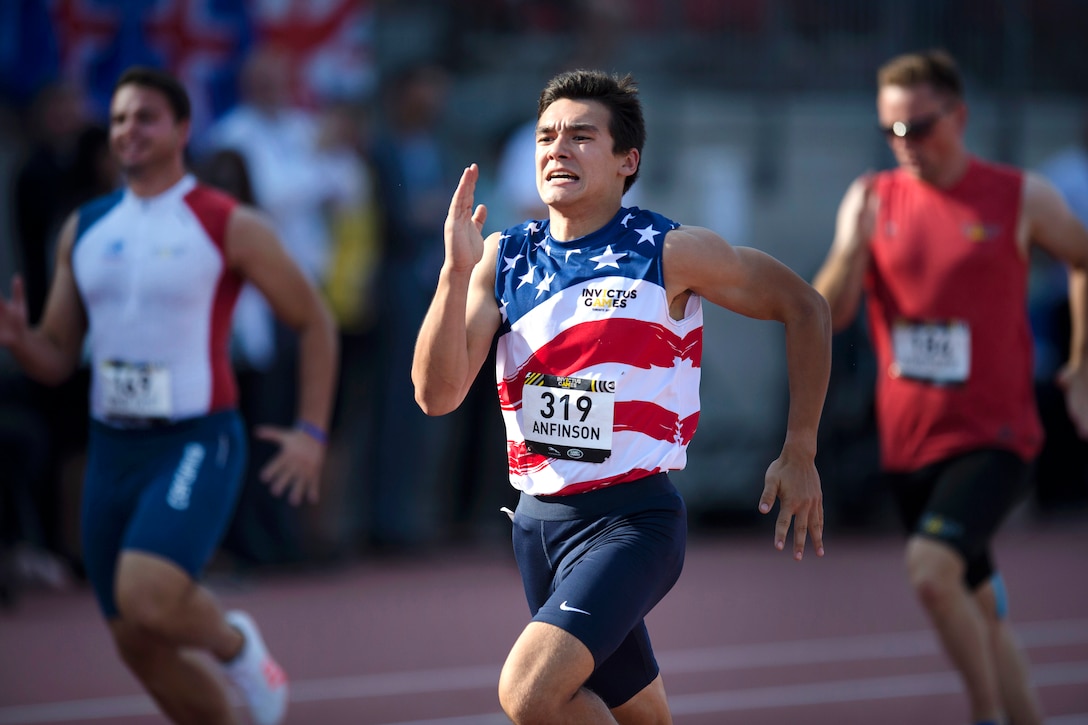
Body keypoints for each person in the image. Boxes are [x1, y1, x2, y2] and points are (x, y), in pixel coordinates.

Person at [413, 69, 831, 723]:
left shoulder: (670, 252)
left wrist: (800, 446)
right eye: (548, 136)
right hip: (537, 525)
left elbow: (805, 306)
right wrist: (453, 274)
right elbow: (437, 395)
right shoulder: (503, 259)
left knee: (529, 692)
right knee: (638, 716)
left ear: (626, 160)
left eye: (582, 136)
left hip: (632, 523)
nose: (558, 149)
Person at [0, 66, 339, 725]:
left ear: (182, 129)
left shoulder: (224, 221)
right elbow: (57, 355)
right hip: (112, 450)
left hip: (195, 438)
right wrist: (20, 341)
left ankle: (236, 643)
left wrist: (312, 431)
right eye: (120, 118)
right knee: (135, 638)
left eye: (146, 117)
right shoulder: (85, 227)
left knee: (149, 594)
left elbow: (313, 319)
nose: (129, 130)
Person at [812, 49, 1088, 725]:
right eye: (892, 131)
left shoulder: (1020, 196)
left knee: (931, 571)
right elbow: (827, 311)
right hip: (911, 444)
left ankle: (984, 713)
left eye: (921, 127)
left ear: (959, 116)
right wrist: (852, 247)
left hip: (996, 436)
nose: (906, 144)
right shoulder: (873, 197)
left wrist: (1083, 361)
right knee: (984, 612)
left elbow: (1084, 260)